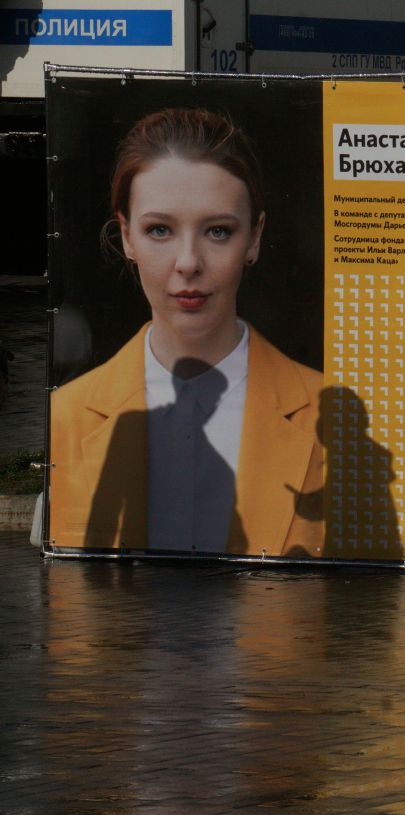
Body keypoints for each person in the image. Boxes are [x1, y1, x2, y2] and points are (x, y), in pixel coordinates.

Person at [50, 108, 323, 556]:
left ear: (254, 238)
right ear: (126, 236)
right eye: (160, 230)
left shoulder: (332, 421)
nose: (188, 262)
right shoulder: (64, 419)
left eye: (218, 231)